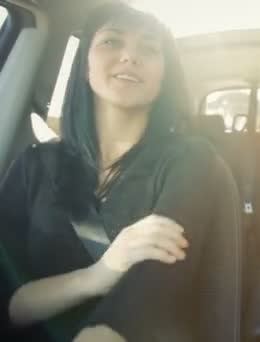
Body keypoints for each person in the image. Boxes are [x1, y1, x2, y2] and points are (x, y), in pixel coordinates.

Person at [0, 2, 238, 341]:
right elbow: (9, 302)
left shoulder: (192, 161)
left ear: (163, 77)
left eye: (149, 48)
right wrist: (98, 274)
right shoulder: (34, 166)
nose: (130, 56)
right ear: (85, 65)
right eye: (112, 41)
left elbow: (155, 286)